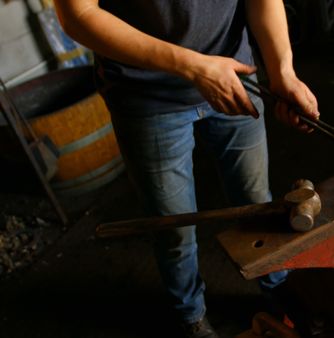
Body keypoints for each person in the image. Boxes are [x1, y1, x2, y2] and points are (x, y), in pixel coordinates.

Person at [53, 1, 319, 337]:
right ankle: (190, 314)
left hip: (236, 75)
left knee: (258, 203)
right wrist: (194, 67)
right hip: (148, 97)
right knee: (173, 226)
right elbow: (79, 15)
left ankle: (277, 287)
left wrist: (283, 72)